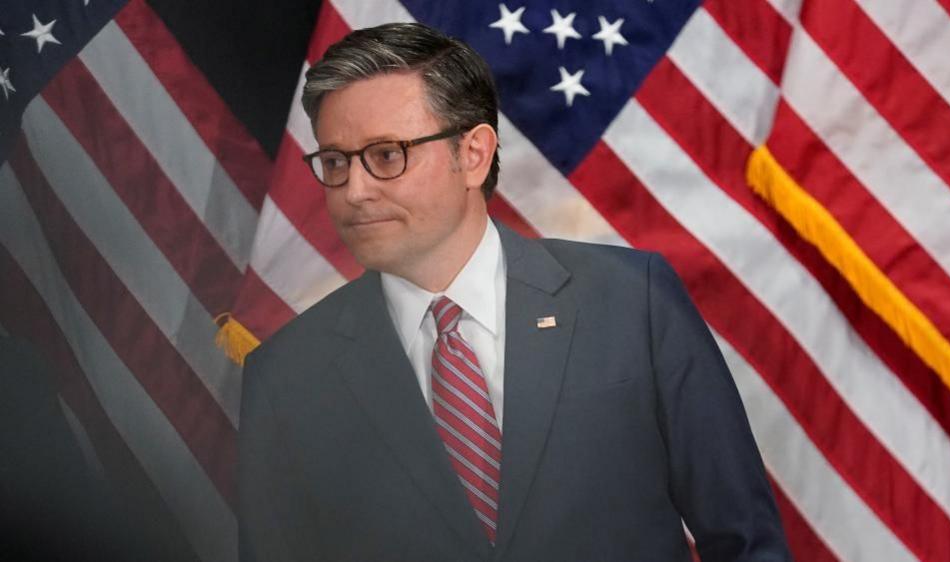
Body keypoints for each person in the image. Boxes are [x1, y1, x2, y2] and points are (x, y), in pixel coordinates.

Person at [237, 22, 790, 562]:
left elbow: (744, 541)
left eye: (386, 156)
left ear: (474, 154)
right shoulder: (284, 376)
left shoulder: (632, 301)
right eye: (335, 162)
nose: (354, 191)